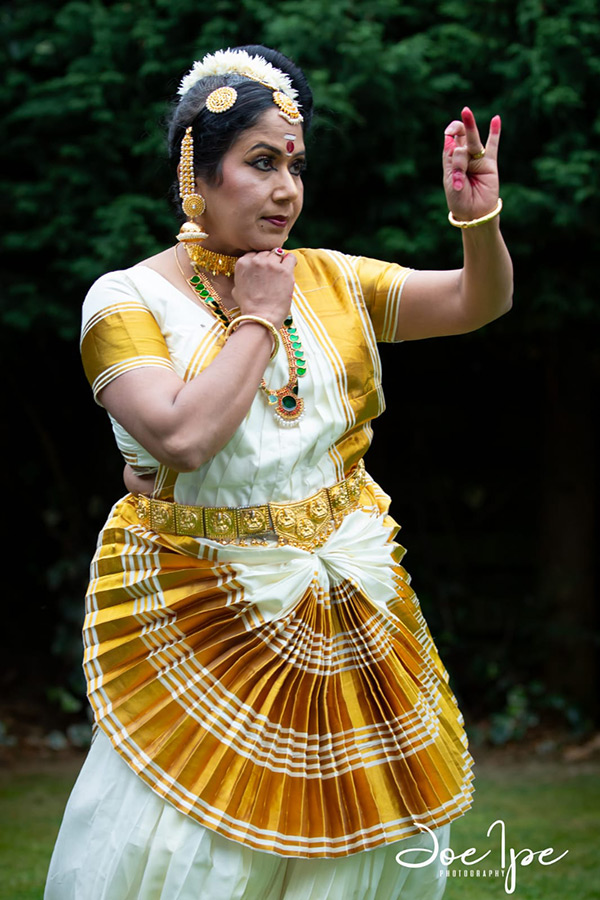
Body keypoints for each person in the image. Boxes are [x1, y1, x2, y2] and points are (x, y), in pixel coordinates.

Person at [45, 44, 513, 900]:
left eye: (294, 166)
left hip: (346, 605)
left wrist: (476, 222)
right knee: (197, 849)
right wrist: (259, 317)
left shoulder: (331, 278)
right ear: (197, 170)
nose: (285, 189)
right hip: (206, 610)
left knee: (357, 851)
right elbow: (183, 439)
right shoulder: (124, 300)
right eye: (260, 163)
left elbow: (476, 303)